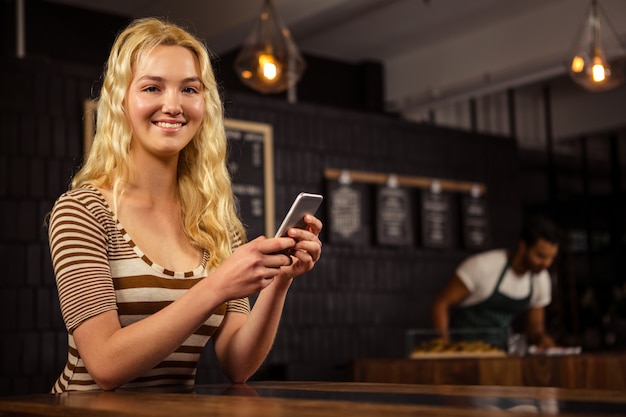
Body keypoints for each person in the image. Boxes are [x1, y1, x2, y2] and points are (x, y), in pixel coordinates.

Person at [47, 17, 322, 393]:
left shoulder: (217, 224)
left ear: (204, 104)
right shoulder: (82, 212)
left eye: (189, 89)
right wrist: (216, 287)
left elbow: (237, 364)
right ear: (121, 100)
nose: (173, 105)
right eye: (152, 87)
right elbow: (106, 365)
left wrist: (280, 282)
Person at [431, 216, 560, 350]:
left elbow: (535, 328)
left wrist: (542, 339)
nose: (546, 264)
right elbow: (440, 304)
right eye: (540, 256)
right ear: (523, 247)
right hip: (463, 350)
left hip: (500, 353)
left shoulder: (541, 279)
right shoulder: (482, 266)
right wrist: (445, 348)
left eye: (551, 258)